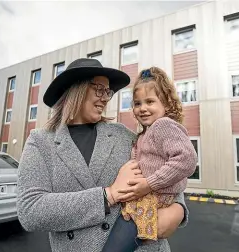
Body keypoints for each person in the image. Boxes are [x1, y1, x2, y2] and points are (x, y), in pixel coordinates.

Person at [17, 58, 189, 252]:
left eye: (107, 92)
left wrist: (178, 209)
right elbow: (30, 211)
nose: (106, 98)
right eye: (99, 89)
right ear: (77, 89)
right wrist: (108, 195)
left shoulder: (123, 135)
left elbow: (164, 168)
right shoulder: (41, 142)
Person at [102, 66, 198, 252]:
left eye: (150, 102)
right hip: (143, 201)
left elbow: (187, 158)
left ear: (167, 104)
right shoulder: (145, 133)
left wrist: (149, 183)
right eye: (137, 104)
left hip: (152, 201)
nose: (143, 108)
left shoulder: (163, 125)